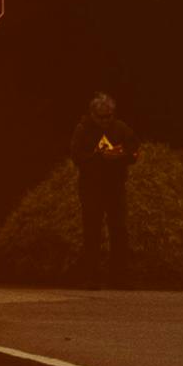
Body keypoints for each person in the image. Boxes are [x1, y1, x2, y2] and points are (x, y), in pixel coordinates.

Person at [69, 88, 138, 280]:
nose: (106, 121)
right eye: (101, 117)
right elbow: (75, 156)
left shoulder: (121, 128)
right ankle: (90, 275)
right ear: (92, 114)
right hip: (91, 187)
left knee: (119, 230)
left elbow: (135, 152)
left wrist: (121, 154)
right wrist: (96, 158)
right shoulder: (82, 129)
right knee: (92, 231)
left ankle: (119, 276)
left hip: (115, 187)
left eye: (109, 116)